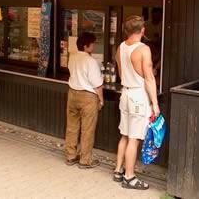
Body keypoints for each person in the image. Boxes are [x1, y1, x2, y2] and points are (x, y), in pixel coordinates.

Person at [113, 16, 160, 190]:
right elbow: (149, 78)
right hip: (138, 97)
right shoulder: (143, 49)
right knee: (134, 138)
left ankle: (118, 171)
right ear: (142, 30)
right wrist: (155, 103)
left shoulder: (121, 47)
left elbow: (120, 71)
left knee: (125, 134)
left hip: (125, 93)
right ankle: (129, 177)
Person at [65, 32, 104, 169]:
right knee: (87, 129)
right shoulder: (90, 61)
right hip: (87, 96)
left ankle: (70, 156)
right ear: (87, 46)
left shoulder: (72, 57)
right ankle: (85, 160)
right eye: (92, 44)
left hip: (72, 94)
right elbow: (97, 84)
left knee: (72, 127)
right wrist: (101, 99)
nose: (93, 46)